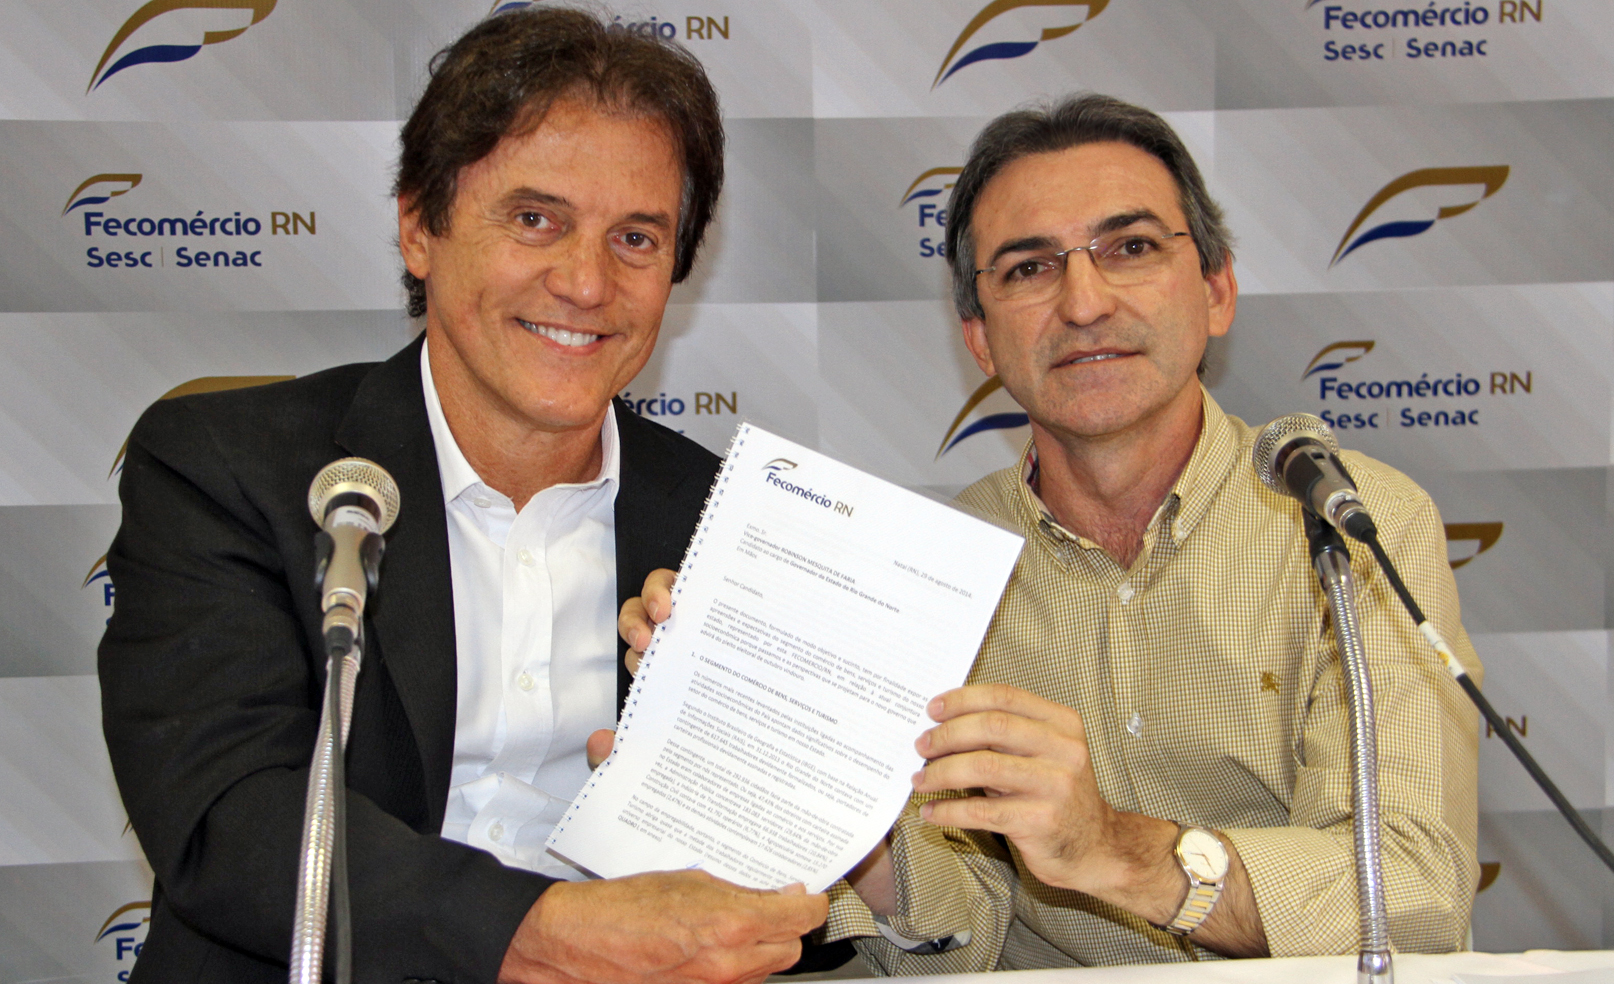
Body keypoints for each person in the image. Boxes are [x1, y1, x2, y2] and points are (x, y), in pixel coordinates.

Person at [621, 93, 1480, 970]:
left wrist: (1116, 851)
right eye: (1029, 268)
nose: (1084, 302)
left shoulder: (1346, 524)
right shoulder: (934, 569)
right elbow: (961, 939)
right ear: (981, 339)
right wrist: (825, 790)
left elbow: (1412, 894)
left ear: (1217, 290)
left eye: (1131, 248)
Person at [97, 9, 827, 984]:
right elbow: (228, 818)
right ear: (419, 228)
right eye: (535, 220)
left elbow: (776, 863)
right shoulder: (230, 467)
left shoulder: (722, 519)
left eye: (636, 238)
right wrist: (546, 931)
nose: (586, 282)